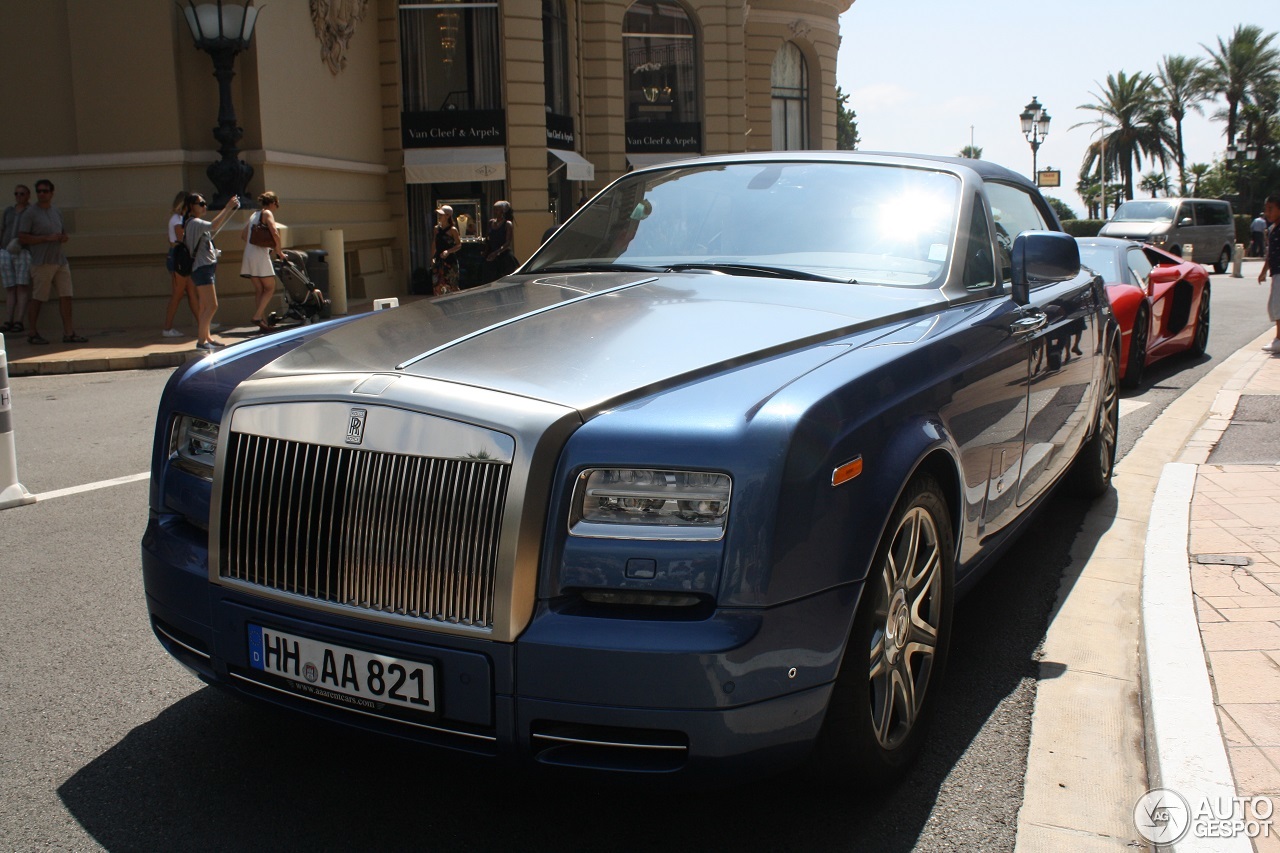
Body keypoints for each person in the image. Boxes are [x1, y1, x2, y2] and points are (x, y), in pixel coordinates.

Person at [18, 179, 85, 345]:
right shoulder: (30, 213)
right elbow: (22, 237)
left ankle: (69, 332)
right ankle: (33, 332)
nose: (42, 194)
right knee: (38, 297)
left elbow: (63, 232)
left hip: (60, 260)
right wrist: (44, 238)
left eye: (45, 191)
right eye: (39, 191)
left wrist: (63, 237)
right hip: (42, 261)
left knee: (66, 295)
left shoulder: (56, 211)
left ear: (51, 193)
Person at [182, 192, 241, 351]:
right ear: (190, 207)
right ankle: (201, 341)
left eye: (204, 203)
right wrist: (228, 207)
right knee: (212, 305)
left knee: (204, 306)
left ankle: (206, 337)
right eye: (200, 204)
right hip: (202, 269)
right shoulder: (194, 223)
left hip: (204, 267)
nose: (204, 206)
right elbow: (214, 225)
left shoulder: (195, 223)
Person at [240, 191, 284, 330]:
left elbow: (243, 235)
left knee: (259, 289)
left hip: (249, 254)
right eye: (276, 204)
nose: (276, 207)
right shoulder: (267, 214)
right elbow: (275, 233)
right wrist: (278, 251)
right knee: (270, 287)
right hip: (260, 255)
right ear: (272, 203)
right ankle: (258, 316)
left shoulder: (254, 214)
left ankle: (262, 323)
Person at [161, 190, 198, 337]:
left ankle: (203, 322)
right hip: (179, 259)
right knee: (177, 294)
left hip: (182, 258)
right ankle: (167, 328)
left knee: (191, 292)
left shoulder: (180, 219)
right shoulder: (177, 220)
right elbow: (181, 239)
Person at [1, 184, 32, 334]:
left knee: (22, 286)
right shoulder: (9, 211)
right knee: (10, 287)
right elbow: (3, 229)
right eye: (16, 194)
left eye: (22, 194)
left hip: (23, 251)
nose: (19, 196)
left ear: (28, 196)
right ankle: (8, 320)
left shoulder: (31, 211)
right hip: (6, 250)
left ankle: (19, 320)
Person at [1259, 195, 1280, 354]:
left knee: (1277, 306)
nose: (1267, 212)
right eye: (1266, 209)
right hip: (1276, 272)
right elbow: (1270, 254)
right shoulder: (1273, 228)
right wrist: (1264, 271)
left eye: (1270, 209)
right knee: (1274, 305)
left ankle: (1279, 339)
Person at [483, 200, 517, 283]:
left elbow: (507, 242)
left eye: (497, 210)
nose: (495, 212)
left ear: (503, 211)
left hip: (504, 256)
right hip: (491, 255)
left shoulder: (507, 224)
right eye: (494, 209)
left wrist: (496, 252)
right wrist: (486, 251)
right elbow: (488, 239)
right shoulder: (491, 222)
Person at [431, 204, 461, 295]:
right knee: (437, 284)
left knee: (452, 284)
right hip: (439, 260)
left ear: (448, 216)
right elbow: (434, 243)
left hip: (450, 261)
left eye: (442, 215)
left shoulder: (453, 230)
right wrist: (432, 258)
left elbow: (459, 245)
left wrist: (448, 251)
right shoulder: (436, 228)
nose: (439, 216)